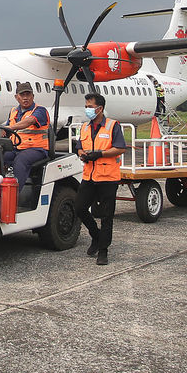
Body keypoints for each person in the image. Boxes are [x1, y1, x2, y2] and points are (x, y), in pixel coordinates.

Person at [76, 92, 126, 266]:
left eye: (90, 107)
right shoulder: (84, 127)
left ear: (100, 108)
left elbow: (120, 148)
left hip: (107, 177)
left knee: (106, 216)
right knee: (80, 208)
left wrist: (100, 154)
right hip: (89, 175)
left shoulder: (113, 126)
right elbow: (79, 146)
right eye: (86, 106)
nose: (87, 110)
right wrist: (83, 154)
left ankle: (103, 251)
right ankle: (96, 236)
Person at [1, 82, 50, 193]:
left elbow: (29, 121)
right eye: (22, 95)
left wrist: (10, 127)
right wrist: (3, 130)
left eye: (28, 95)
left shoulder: (40, 110)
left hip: (37, 149)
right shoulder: (13, 111)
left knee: (20, 161)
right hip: (16, 148)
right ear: (16, 97)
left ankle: (14, 195)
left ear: (33, 96)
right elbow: (8, 127)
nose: (26, 98)